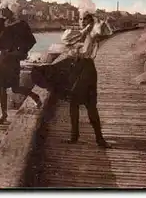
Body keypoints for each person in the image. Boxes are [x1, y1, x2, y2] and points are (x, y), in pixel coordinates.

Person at [31, 12, 112, 148]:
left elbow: (106, 32)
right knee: (73, 102)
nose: (83, 22)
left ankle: (99, 138)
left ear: (91, 22)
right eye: (81, 19)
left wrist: (98, 22)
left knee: (90, 104)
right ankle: (74, 136)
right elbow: (66, 39)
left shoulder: (93, 33)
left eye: (86, 20)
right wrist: (84, 30)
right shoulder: (76, 33)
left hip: (87, 68)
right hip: (74, 67)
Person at [0, 3, 43, 125]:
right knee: (1, 87)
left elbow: (31, 41)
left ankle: (34, 96)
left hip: (12, 58)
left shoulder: (21, 25)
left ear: (11, 11)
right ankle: (3, 114)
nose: (3, 12)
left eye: (5, 10)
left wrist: (19, 51)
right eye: (2, 10)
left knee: (15, 88)